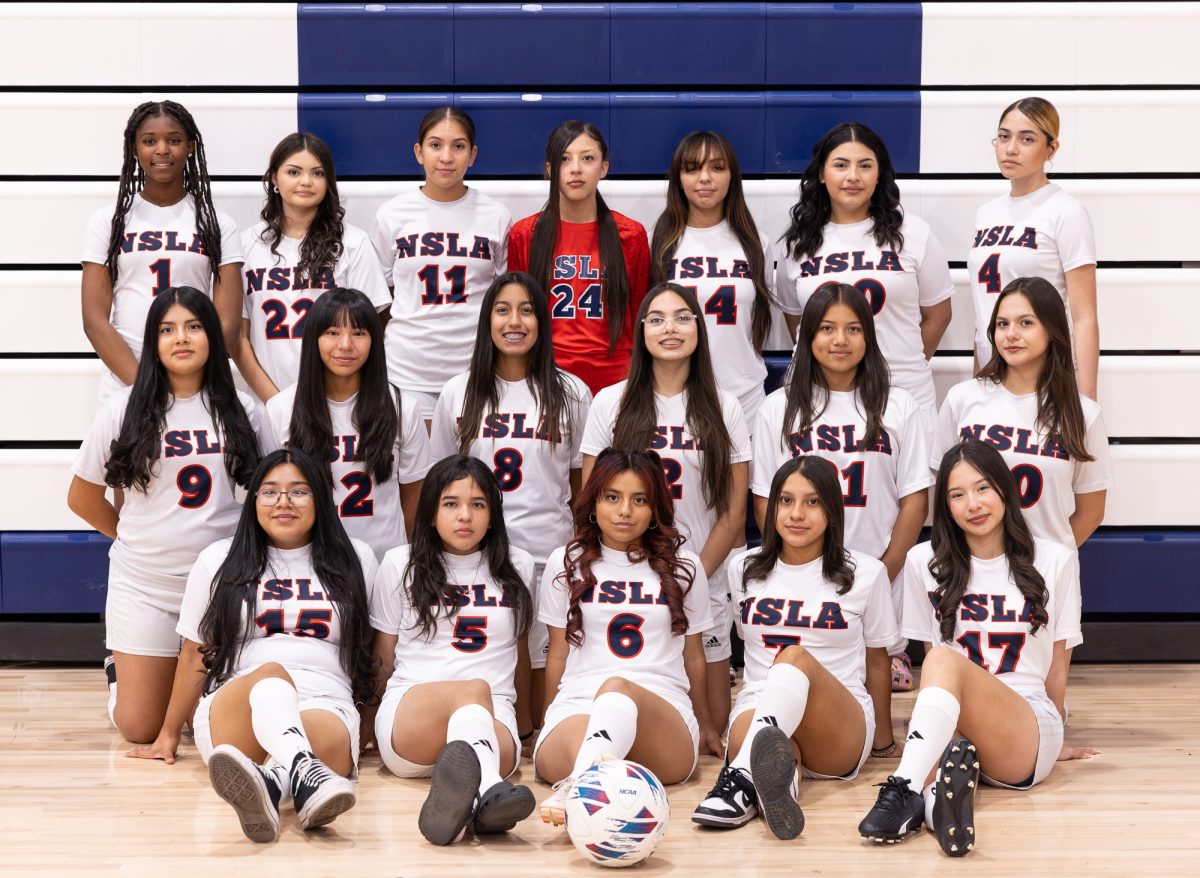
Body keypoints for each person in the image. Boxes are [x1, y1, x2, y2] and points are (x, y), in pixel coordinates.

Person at [127, 449, 379, 844]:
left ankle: (272, 783)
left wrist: (369, 724)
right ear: (253, 501)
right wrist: (168, 734)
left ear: (320, 500)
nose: (283, 502)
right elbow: (194, 650)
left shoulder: (356, 558)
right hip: (238, 705)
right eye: (270, 491)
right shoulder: (218, 559)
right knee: (272, 675)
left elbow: (374, 648)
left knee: (313, 728)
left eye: (299, 491)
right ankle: (305, 773)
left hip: (326, 704)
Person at [858, 439, 1095, 857]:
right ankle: (934, 808)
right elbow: (933, 676)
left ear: (1005, 489)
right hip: (956, 727)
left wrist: (1055, 739)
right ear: (945, 506)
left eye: (983, 488)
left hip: (1025, 726)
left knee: (945, 658)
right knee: (941, 664)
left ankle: (903, 789)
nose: (973, 503)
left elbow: (1058, 666)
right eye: (957, 494)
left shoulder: (1056, 559)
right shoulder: (922, 563)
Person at [67, 287, 263, 744]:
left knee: (210, 724)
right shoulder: (125, 408)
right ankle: (121, 667)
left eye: (194, 326)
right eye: (167, 329)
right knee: (140, 728)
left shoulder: (243, 409)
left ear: (212, 336)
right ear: (153, 343)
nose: (182, 338)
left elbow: (265, 492)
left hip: (221, 583)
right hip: (145, 583)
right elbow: (82, 496)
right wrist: (129, 538)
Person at [692, 456, 897, 840]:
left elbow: (878, 659)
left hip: (837, 721)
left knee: (794, 656)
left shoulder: (866, 572)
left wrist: (883, 741)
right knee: (769, 746)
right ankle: (778, 788)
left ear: (833, 511)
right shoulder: (743, 568)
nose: (796, 514)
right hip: (758, 702)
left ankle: (739, 780)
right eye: (785, 501)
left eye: (812, 502)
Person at [581, 283, 750, 731]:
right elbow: (592, 498)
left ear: (699, 328)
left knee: (711, 727)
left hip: (702, 575)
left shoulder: (724, 406)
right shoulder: (610, 403)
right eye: (656, 318)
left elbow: (734, 513)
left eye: (681, 317)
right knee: (627, 699)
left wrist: (692, 573)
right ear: (641, 332)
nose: (669, 327)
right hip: (630, 575)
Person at [752, 283, 931, 690]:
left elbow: (915, 500)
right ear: (807, 335)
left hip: (878, 572)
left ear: (868, 336)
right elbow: (765, 500)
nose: (840, 340)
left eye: (853, 329)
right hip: (801, 577)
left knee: (876, 687)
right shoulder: (777, 409)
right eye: (827, 328)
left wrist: (879, 575)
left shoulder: (899, 406)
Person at [430, 271, 592, 719]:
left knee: (542, 660)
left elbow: (581, 484)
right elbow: (442, 479)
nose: (514, 321)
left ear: (542, 321)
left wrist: (577, 547)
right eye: (502, 310)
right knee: (488, 660)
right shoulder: (458, 392)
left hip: (547, 548)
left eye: (526, 310)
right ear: (487, 322)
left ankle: (538, 738)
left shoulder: (572, 392)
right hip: (476, 553)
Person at [535, 449, 720, 827]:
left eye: (639, 500)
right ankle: (586, 777)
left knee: (617, 686)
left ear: (656, 509)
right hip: (577, 704)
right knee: (598, 717)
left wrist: (706, 724)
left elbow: (694, 657)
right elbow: (557, 653)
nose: (624, 511)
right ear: (594, 501)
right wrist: (544, 720)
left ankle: (577, 786)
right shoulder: (565, 561)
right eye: (612, 497)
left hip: (661, 713)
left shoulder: (685, 565)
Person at [932, 277, 1111, 655]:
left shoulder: (1083, 414)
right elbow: (944, 487)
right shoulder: (964, 399)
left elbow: (1091, 512)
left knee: (1045, 704)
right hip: (973, 570)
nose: (1011, 334)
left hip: (1043, 576)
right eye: (1003, 323)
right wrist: (987, 557)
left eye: (1026, 322)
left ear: (1052, 329)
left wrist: (1037, 559)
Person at [369, 455, 538, 845]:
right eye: (451, 504)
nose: (465, 516)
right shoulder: (400, 563)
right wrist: (368, 728)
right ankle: (491, 787)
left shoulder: (519, 566)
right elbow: (384, 656)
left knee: (480, 695)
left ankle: (469, 797)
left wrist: (525, 728)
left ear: (493, 515)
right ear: (430, 512)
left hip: (496, 719)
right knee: (473, 689)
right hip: (413, 718)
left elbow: (520, 656)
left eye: (478, 504)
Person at [776, 122, 953, 420]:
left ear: (879, 173)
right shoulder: (797, 243)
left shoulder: (913, 233)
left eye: (865, 165)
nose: (853, 176)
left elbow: (939, 314)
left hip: (901, 390)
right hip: (817, 393)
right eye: (841, 165)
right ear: (821, 173)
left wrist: (901, 362)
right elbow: (797, 321)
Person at [81, 100, 243, 399]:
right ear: (134, 148)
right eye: (149, 141)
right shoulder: (109, 221)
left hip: (196, 382)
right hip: (126, 383)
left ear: (191, 147)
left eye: (174, 140)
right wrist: (143, 386)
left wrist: (192, 381)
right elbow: (94, 318)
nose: (162, 150)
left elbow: (228, 321)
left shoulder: (217, 223)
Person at [265, 288, 431, 560]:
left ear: (374, 340)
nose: (345, 344)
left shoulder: (403, 407)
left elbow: (414, 499)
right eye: (332, 332)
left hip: (385, 563)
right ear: (313, 339)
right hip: (312, 564)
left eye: (358, 333)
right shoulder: (280, 409)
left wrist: (406, 564)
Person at [372, 106, 511, 426]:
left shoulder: (496, 215)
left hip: (474, 373)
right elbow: (377, 298)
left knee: (469, 474)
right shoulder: (392, 214)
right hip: (406, 373)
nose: (446, 156)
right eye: (435, 145)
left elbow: (506, 298)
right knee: (414, 473)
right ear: (419, 152)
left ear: (473, 155)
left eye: (458, 146)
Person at [236, 132, 391, 401]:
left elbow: (372, 331)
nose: (305, 181)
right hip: (267, 402)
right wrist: (274, 403)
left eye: (317, 173)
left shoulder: (354, 244)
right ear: (274, 178)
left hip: (337, 403)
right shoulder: (245, 245)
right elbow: (238, 339)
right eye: (294, 172)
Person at [508, 120, 651, 395]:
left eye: (587, 158)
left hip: (615, 381)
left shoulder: (631, 235)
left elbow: (638, 316)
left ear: (604, 168)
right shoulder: (525, 234)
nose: (576, 168)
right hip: (546, 376)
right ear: (550, 170)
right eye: (564, 159)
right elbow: (519, 314)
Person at [968, 97, 1098, 398]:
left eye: (1026, 139)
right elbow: (981, 309)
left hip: (1047, 375)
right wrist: (977, 382)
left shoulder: (1066, 212)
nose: (1011, 148)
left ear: (1051, 149)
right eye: (1004, 137)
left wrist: (1087, 398)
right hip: (993, 373)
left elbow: (1084, 315)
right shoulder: (985, 214)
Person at [650, 130, 776, 425]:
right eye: (693, 168)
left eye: (717, 167)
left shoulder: (756, 243)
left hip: (744, 399)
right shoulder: (657, 242)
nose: (705, 178)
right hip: (674, 398)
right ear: (678, 178)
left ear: (732, 176)